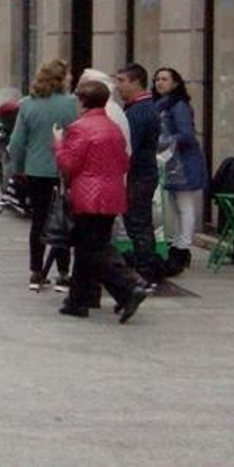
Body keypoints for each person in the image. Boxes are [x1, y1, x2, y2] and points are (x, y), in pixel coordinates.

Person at [54, 80, 146, 322]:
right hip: (112, 193)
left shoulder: (79, 128)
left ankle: (128, 286)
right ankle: (78, 300)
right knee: (91, 245)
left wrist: (58, 143)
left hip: (88, 195)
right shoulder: (113, 128)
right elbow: (124, 162)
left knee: (90, 248)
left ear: (83, 101)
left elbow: (68, 164)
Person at [9, 59, 79, 292]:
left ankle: (36, 271)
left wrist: (18, 168)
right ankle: (63, 272)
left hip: (36, 170)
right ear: (61, 78)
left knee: (39, 220)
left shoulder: (28, 105)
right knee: (63, 220)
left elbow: (17, 143)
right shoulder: (73, 104)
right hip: (65, 170)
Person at [154, 67, 207, 277]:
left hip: (183, 162)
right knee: (175, 205)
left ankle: (183, 247)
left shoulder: (179, 105)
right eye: (157, 79)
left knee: (184, 205)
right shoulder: (161, 104)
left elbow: (186, 134)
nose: (160, 82)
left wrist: (164, 141)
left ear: (175, 83)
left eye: (165, 79)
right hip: (171, 161)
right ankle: (177, 243)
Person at [115, 64, 163, 281]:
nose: (118, 86)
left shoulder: (139, 111)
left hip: (139, 176)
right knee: (139, 222)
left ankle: (145, 269)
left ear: (135, 82)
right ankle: (146, 263)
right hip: (142, 174)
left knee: (138, 223)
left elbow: (129, 147)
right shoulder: (138, 107)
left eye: (122, 81)